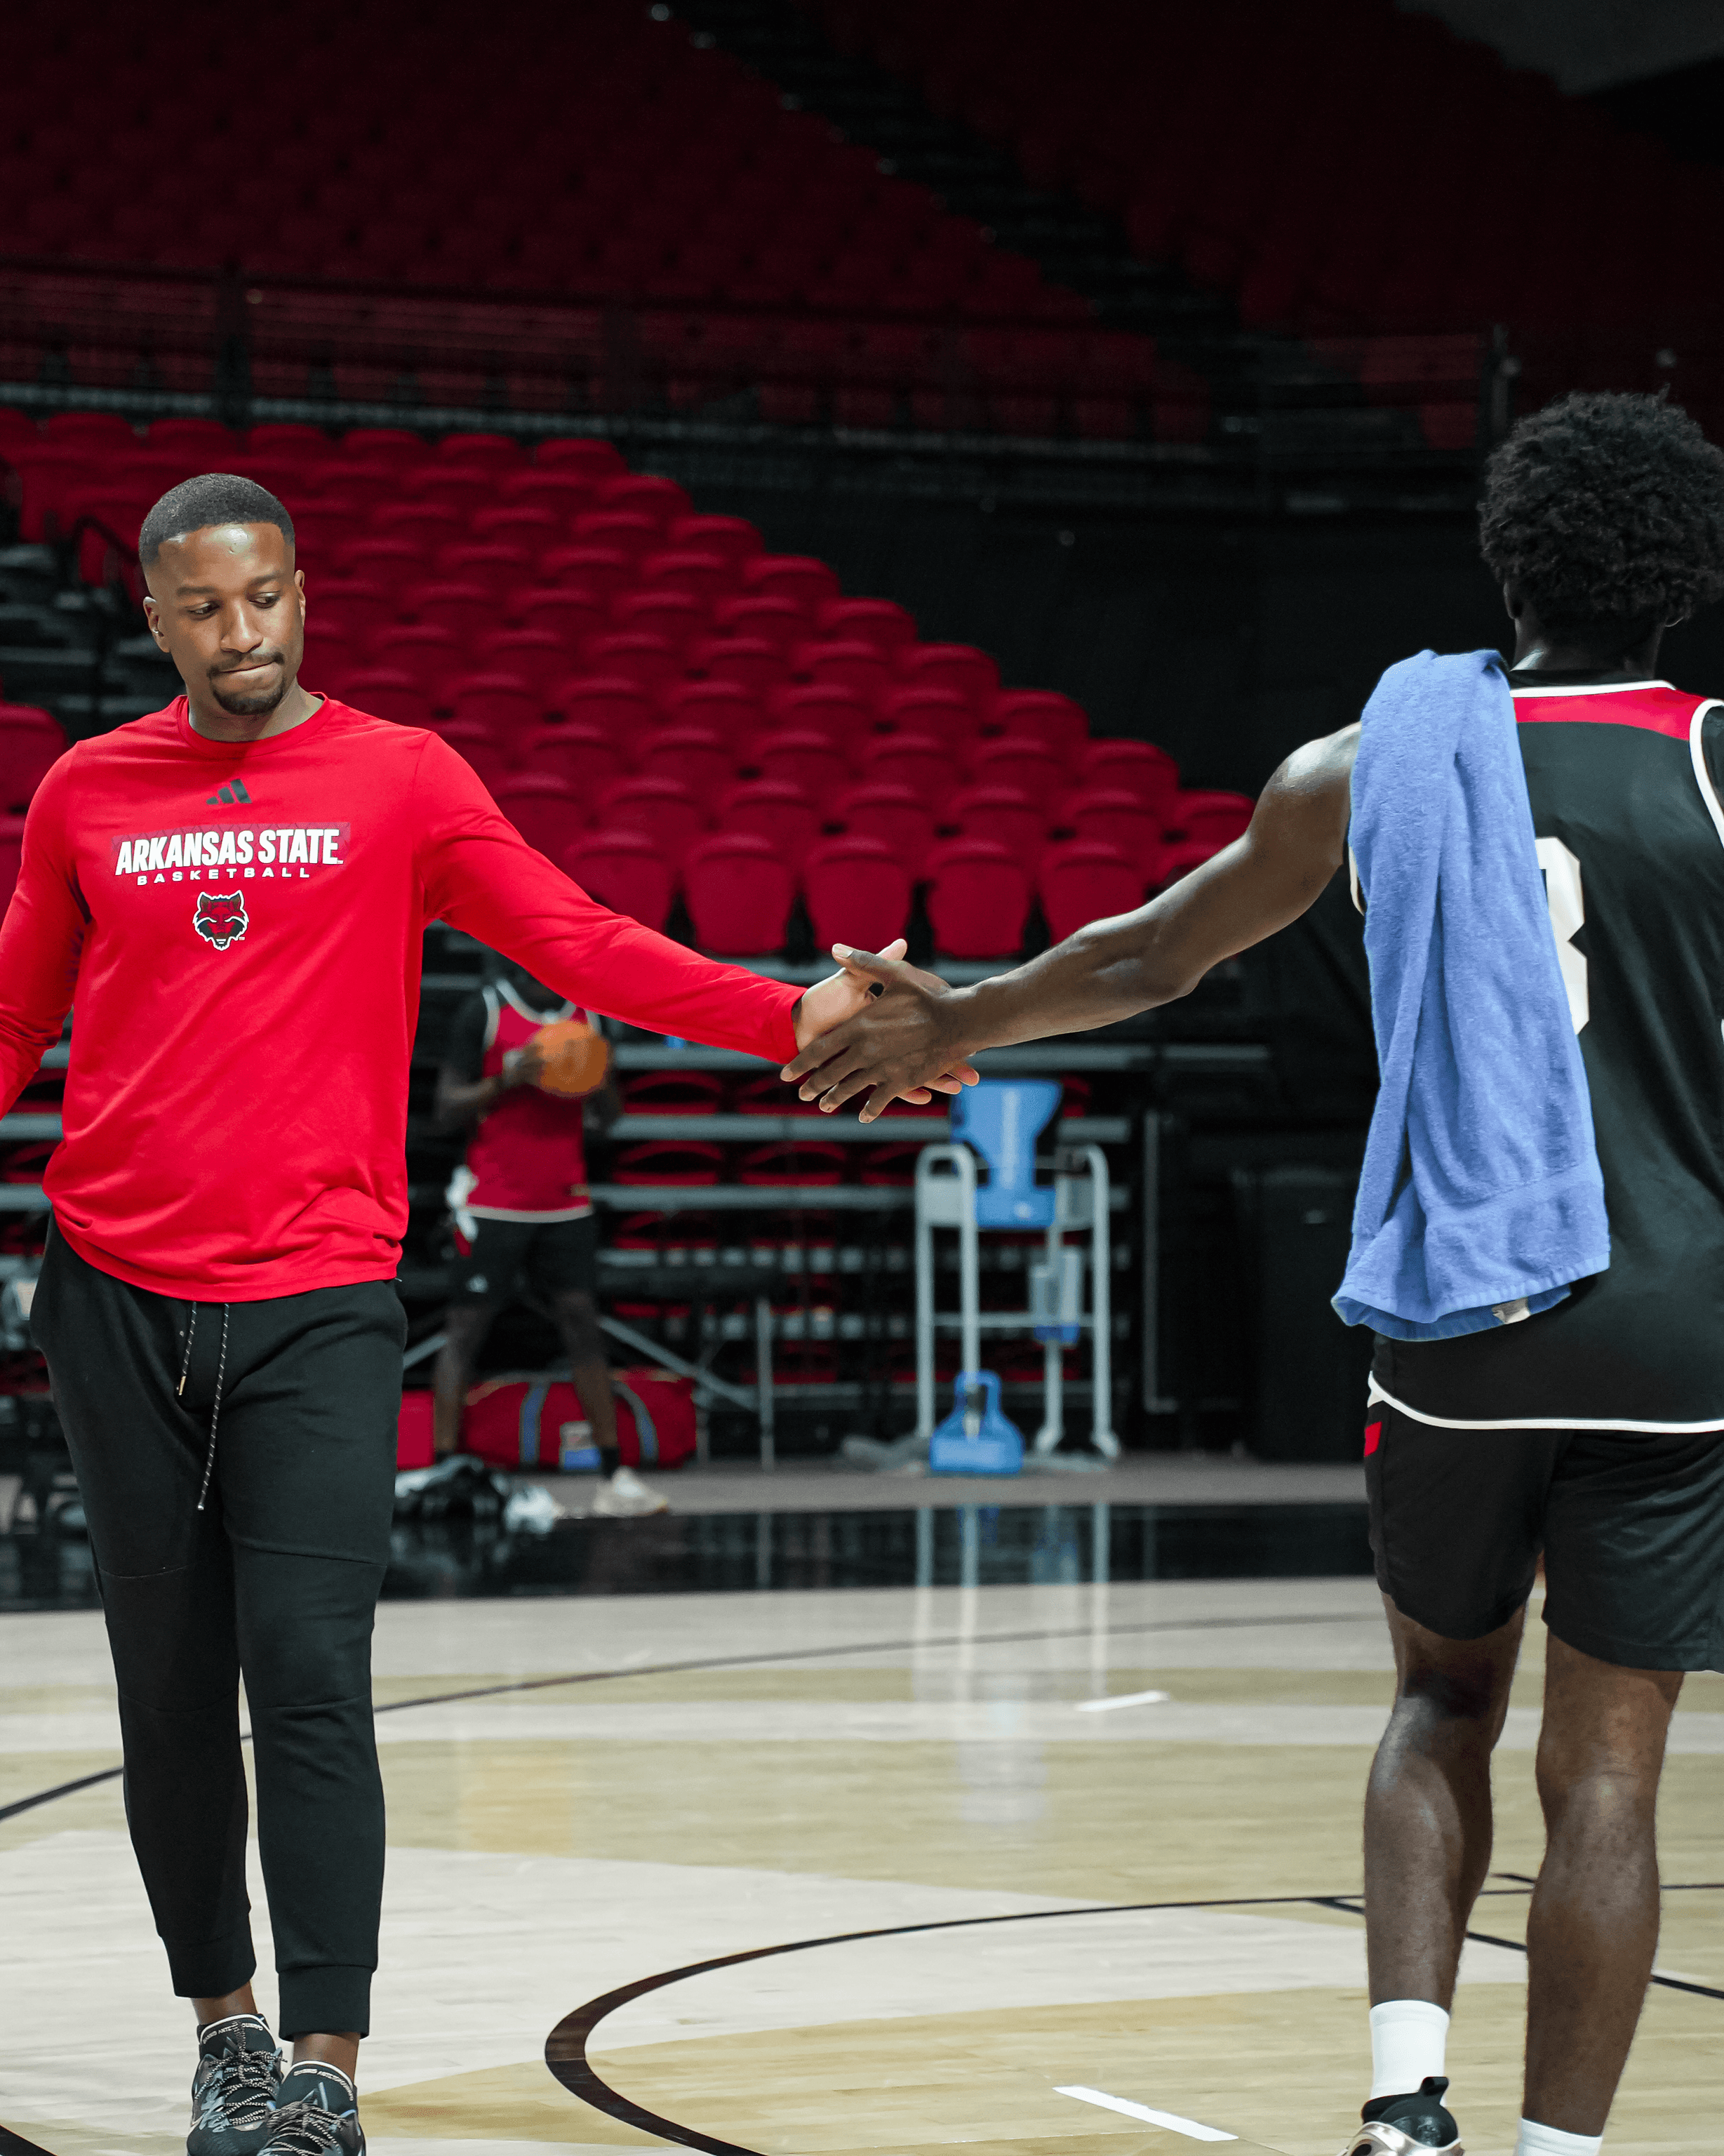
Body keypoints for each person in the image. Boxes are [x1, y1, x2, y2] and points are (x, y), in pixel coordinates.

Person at [785, 392, 1724, 2156]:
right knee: (1608, 1768)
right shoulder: (1717, 763)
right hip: (1673, 1321)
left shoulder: (1371, 758)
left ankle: (1400, 2104)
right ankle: (1565, 2153)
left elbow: (1151, 951)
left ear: (1506, 557)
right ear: (1686, 581)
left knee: (1437, 1699)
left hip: (1463, 1318)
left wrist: (961, 1016)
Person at [4, 470, 965, 2156]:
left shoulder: (402, 777)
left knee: (308, 1674)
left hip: (316, 1297)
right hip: (116, 1294)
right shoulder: (87, 791)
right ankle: (221, 2027)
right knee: (166, 1688)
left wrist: (795, 1016)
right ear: (154, 615)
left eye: (269, 597)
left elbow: (585, 942)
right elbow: (11, 1018)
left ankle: (322, 2064)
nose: (246, 635)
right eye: (209, 608)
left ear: (304, 591)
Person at [432, 956, 661, 1514]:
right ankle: (443, 1470)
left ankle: (613, 1476)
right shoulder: (485, 1011)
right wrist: (509, 1078)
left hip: (564, 1199)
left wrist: (598, 1082)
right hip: (492, 1198)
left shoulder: (588, 1016)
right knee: (465, 1329)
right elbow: (444, 1108)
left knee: (584, 1327)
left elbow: (610, 1119)